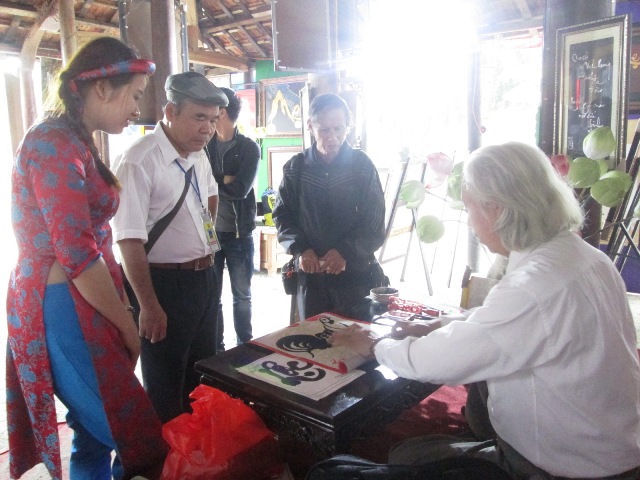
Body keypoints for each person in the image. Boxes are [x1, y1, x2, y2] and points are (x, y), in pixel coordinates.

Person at [331, 142, 640, 479]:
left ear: (497, 210)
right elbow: (514, 325)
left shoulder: (532, 286)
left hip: (572, 466)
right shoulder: (584, 256)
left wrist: (374, 344)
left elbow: (432, 361)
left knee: (400, 456)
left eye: (470, 208)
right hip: (612, 441)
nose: (469, 222)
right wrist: (440, 325)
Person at [6, 37, 167, 480]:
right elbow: (76, 254)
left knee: (93, 435)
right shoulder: (53, 144)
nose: (137, 108)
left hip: (83, 297)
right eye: (135, 95)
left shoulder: (75, 141)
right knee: (134, 434)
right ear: (102, 88)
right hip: (60, 303)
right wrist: (127, 324)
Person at [112, 71, 228, 423]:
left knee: (203, 371)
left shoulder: (198, 153)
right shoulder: (139, 160)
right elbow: (128, 239)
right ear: (170, 112)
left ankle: (197, 448)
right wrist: (148, 305)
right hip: (163, 285)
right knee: (166, 383)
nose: (207, 129)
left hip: (204, 277)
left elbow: (210, 197)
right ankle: (167, 452)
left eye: (213, 120)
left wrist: (204, 246)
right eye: (199, 117)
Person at [272, 93, 386, 321]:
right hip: (311, 277)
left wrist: (345, 251)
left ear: (348, 127)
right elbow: (282, 216)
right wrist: (301, 249)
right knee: (312, 336)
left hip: (354, 277)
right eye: (324, 130)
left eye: (339, 129)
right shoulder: (296, 168)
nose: (332, 137)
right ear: (310, 126)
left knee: (354, 336)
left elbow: (374, 221)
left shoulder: (361, 166)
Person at [205, 87, 260, 351]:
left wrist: (213, 183)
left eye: (211, 108)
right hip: (209, 233)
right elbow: (195, 185)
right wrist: (224, 180)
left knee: (242, 296)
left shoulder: (249, 148)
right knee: (211, 298)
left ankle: (244, 349)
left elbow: (240, 190)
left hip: (239, 233)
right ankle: (216, 350)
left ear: (222, 111)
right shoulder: (204, 145)